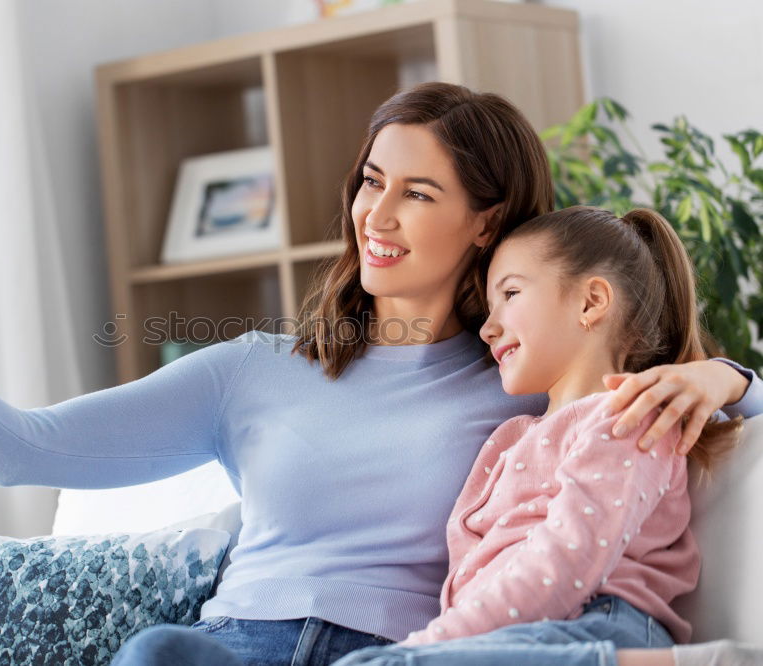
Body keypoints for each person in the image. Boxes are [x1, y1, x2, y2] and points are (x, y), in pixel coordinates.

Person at [0, 83, 762, 666]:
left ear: (486, 222)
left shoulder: (518, 382)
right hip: (231, 647)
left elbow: (624, 351)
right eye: (370, 181)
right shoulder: (252, 373)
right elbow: (16, 450)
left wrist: (728, 376)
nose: (375, 215)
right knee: (158, 655)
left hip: (395, 657)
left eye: (418, 192)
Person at [327, 206, 763, 666]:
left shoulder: (629, 414)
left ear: (591, 302)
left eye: (510, 293)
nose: (487, 326)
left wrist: (430, 646)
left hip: (591, 625)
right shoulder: (511, 436)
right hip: (514, 633)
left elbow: (566, 563)